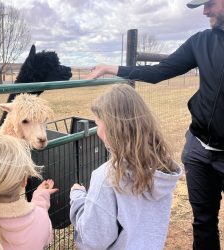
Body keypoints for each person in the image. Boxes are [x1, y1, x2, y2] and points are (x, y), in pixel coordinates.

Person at [86, 1, 224, 249]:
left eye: (210, 3)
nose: (204, 11)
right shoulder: (202, 41)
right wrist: (112, 68)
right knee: (203, 221)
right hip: (199, 149)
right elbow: (160, 71)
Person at [70, 84, 182, 249]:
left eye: (98, 123)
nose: (97, 130)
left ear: (111, 128)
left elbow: (94, 238)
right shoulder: (162, 168)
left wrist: (78, 199)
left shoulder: (107, 178)